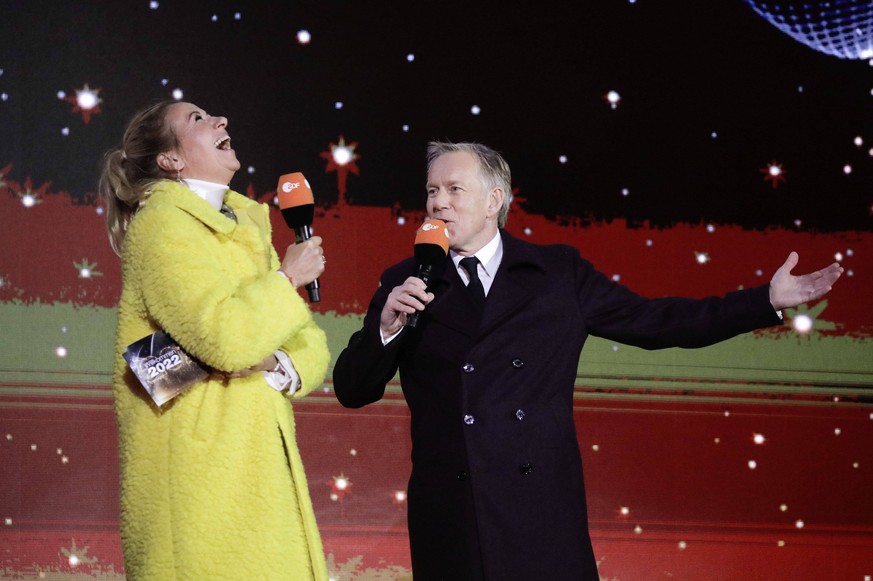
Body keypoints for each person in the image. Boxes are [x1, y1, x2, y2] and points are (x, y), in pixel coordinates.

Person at [332, 141, 843, 581]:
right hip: (452, 515)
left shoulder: (557, 274)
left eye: (453, 190)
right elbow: (353, 389)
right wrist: (387, 327)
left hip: (540, 512)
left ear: (494, 200)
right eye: (431, 191)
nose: (437, 203)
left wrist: (763, 301)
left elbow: (656, 322)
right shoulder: (406, 281)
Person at [98, 100, 330, 580]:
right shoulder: (163, 225)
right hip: (199, 481)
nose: (221, 119)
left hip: (257, 471)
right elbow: (222, 339)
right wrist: (286, 281)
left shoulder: (246, 229)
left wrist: (272, 362)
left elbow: (310, 344)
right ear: (171, 160)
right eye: (197, 120)